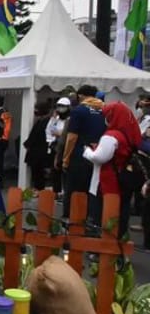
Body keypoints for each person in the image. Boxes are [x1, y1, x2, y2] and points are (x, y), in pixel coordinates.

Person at [82, 102, 141, 240]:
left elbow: (99, 157)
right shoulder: (128, 133)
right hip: (122, 180)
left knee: (101, 216)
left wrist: (87, 151)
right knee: (120, 215)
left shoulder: (111, 136)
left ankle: (99, 250)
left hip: (106, 181)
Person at [62, 85, 106, 228]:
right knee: (91, 189)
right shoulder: (104, 110)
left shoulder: (78, 111)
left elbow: (72, 137)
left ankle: (71, 219)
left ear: (80, 95)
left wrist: (66, 158)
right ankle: (89, 219)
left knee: (74, 189)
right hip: (99, 154)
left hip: (80, 155)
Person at [46, 97, 71, 197]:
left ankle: (65, 192)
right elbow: (49, 130)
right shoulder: (55, 119)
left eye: (63, 106)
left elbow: (65, 133)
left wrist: (59, 133)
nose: (60, 108)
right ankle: (56, 191)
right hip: (54, 146)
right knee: (55, 171)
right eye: (59, 106)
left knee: (64, 171)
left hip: (65, 148)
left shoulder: (70, 119)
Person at [23, 102, 51, 192]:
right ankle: (38, 188)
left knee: (38, 171)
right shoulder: (41, 121)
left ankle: (39, 189)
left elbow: (36, 135)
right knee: (36, 171)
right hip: (37, 151)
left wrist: (28, 143)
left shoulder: (45, 122)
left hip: (39, 151)